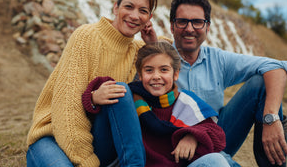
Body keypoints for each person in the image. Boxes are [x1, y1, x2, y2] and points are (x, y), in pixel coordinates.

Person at [26, 0, 158, 167]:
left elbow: (171, 58)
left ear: (149, 18)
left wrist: (153, 45)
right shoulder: (86, 37)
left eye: (143, 11)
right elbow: (67, 110)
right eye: (129, 6)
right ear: (115, 7)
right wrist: (86, 162)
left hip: (96, 140)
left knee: (119, 91)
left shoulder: (139, 49)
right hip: (52, 137)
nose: (134, 16)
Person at [162, 0, 287, 166]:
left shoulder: (218, 59)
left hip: (216, 138)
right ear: (172, 26)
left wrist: (271, 118)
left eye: (197, 22)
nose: (189, 28)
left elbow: (277, 68)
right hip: (176, 147)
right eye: (182, 21)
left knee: (260, 83)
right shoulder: (160, 61)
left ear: (207, 27)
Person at [83, 41, 236, 167]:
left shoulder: (186, 101)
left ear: (175, 74)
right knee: (119, 90)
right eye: (149, 70)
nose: (156, 76)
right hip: (132, 162)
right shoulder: (131, 98)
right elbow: (102, 89)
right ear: (140, 75)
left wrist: (192, 136)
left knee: (217, 161)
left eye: (164, 70)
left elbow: (217, 136)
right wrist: (93, 98)